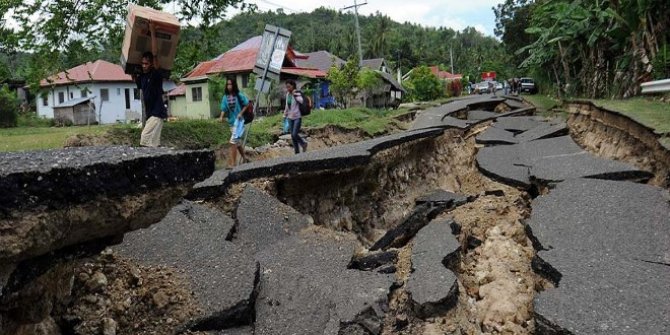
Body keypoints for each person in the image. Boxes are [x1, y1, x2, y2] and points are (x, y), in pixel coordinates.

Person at [133, 21, 167, 147]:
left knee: (144, 138)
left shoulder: (156, 74)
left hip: (157, 113)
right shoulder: (142, 77)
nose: (144, 66)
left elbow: (155, 54)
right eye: (142, 63)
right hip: (150, 115)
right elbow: (136, 80)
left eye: (146, 63)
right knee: (153, 146)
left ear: (151, 64)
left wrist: (152, 31)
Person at [219, 78, 250, 167]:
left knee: (233, 142)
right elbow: (223, 108)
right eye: (228, 84)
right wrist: (221, 117)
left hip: (239, 123)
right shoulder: (225, 97)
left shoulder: (238, 95)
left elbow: (247, 104)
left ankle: (233, 164)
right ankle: (245, 158)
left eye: (230, 84)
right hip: (232, 123)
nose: (229, 86)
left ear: (234, 85)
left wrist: (240, 113)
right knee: (238, 142)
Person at [283, 79, 307, 154]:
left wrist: (294, 94)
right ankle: (297, 152)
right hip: (290, 117)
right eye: (287, 87)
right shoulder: (287, 94)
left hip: (297, 117)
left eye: (289, 87)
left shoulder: (297, 93)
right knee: (293, 136)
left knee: (294, 134)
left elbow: (301, 101)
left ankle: (303, 144)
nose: (288, 89)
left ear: (293, 86)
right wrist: (285, 114)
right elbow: (287, 105)